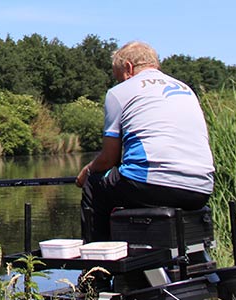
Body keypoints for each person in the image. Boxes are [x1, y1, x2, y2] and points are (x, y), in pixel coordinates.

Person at [75, 41, 215, 242]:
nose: (119, 82)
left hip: (152, 185)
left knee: (94, 184)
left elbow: (108, 159)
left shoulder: (120, 92)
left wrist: (86, 172)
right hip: (200, 189)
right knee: (120, 181)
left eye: (118, 76)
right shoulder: (185, 89)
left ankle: (97, 268)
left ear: (129, 68)